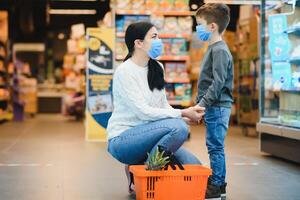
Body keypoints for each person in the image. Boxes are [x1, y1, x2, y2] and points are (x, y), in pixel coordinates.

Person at [107, 21, 205, 194]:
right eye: (154, 37)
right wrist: (181, 112)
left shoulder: (157, 67)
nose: (159, 40)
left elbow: (162, 105)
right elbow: (143, 112)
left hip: (150, 136)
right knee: (179, 129)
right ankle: (148, 175)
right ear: (138, 43)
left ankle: (138, 167)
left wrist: (185, 118)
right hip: (124, 140)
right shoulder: (125, 71)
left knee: (195, 167)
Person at [195, 3, 234, 200]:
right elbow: (208, 81)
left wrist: (201, 104)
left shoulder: (219, 50)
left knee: (215, 146)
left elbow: (218, 83)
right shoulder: (213, 48)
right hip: (214, 106)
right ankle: (220, 184)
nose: (197, 29)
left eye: (199, 24)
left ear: (212, 26)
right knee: (214, 145)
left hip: (217, 107)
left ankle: (217, 185)